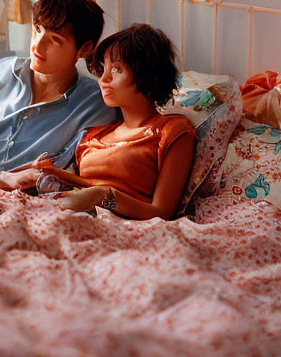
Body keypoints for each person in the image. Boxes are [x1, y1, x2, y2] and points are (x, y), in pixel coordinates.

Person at [15, 23, 195, 220]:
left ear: (147, 74)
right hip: (65, 207)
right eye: (103, 69)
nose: (103, 79)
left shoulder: (171, 132)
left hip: (111, 222)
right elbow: (87, 186)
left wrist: (104, 197)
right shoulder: (94, 135)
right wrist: (54, 173)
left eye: (116, 69)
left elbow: (161, 212)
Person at [0, 0, 118, 180]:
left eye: (54, 40)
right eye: (37, 29)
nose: (37, 44)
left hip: (15, 194)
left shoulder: (96, 106)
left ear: (84, 50)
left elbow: (87, 181)